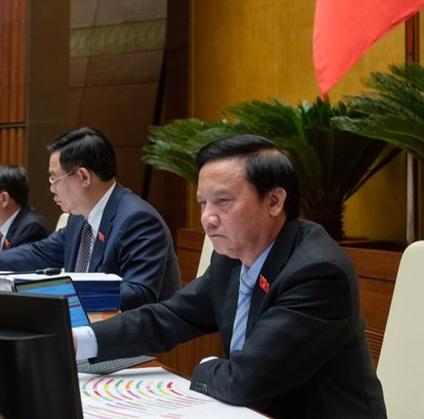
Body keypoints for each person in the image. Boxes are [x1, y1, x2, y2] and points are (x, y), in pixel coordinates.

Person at [73, 135, 387, 418]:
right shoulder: (231, 259)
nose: (206, 218)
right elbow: (169, 317)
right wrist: (78, 342)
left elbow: (244, 381)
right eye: (203, 202)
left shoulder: (316, 273)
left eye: (222, 201)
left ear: (274, 201)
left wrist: (204, 368)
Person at [0, 127, 182, 311]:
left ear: (83, 176)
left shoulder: (137, 220)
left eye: (55, 179)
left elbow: (139, 294)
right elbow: (39, 252)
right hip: (85, 328)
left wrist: (60, 293)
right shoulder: (78, 219)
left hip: (131, 340)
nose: (51, 188)